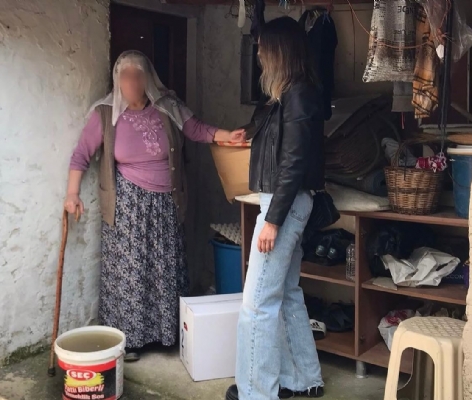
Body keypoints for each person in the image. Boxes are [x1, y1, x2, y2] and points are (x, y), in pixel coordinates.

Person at [65, 50, 245, 362]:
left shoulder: (167, 106)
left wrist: (225, 135)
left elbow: (195, 128)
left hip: (165, 202)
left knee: (165, 266)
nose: (132, 82)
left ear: (149, 78)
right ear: (117, 80)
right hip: (127, 206)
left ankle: (166, 334)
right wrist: (72, 193)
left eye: (138, 75)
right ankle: (129, 339)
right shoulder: (105, 114)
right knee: (131, 270)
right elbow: (81, 154)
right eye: (125, 75)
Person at [226, 17, 325, 400]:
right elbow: (282, 145)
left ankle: (255, 392)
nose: (260, 55)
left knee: (257, 303)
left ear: (280, 51)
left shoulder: (297, 94)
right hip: (288, 203)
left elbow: (294, 163)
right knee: (286, 292)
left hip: (284, 204)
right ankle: (304, 380)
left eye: (264, 48)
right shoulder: (292, 92)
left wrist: (272, 220)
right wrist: (247, 133)